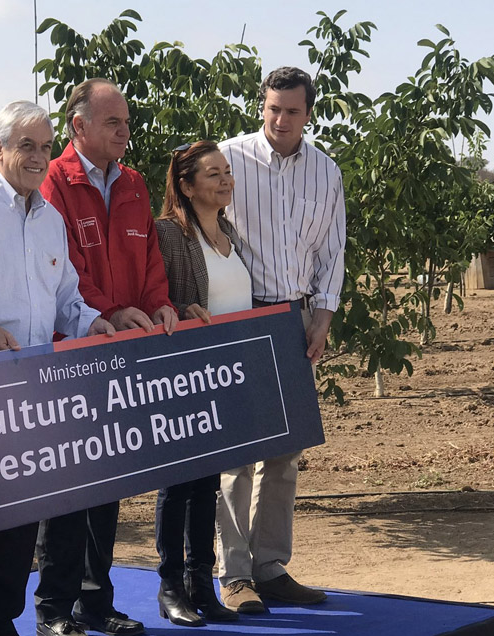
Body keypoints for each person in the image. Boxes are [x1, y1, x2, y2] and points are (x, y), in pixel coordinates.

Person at [0, 100, 115, 636]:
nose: (39, 157)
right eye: (26, 146)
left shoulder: (51, 219)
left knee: (18, 516)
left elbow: (65, 298)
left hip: (35, 387)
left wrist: (92, 324)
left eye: (44, 146)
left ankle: (2, 620)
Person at [35, 77, 177, 636]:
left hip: (126, 354)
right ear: (79, 127)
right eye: (112, 122)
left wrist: (158, 304)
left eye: (125, 120)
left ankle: (96, 603)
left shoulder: (136, 183)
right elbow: (64, 270)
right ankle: (54, 609)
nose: (125, 130)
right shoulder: (55, 182)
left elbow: (148, 257)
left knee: (110, 481)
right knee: (70, 487)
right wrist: (110, 314)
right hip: (76, 352)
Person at [214, 66, 346, 612]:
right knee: (238, 452)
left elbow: (332, 249)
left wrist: (324, 314)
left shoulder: (325, 171)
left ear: (308, 112)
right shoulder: (229, 159)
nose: (280, 119)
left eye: (292, 110)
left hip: (295, 318)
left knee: (285, 452)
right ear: (260, 106)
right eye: (272, 108)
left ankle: (270, 565)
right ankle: (233, 572)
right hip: (239, 318)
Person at [152, 140, 246, 626]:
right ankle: (171, 586)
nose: (224, 180)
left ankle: (200, 583)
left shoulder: (231, 233)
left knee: (207, 484)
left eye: (226, 171)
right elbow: (156, 296)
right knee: (178, 483)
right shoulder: (169, 234)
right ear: (186, 186)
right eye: (213, 174)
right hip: (184, 376)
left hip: (226, 376)